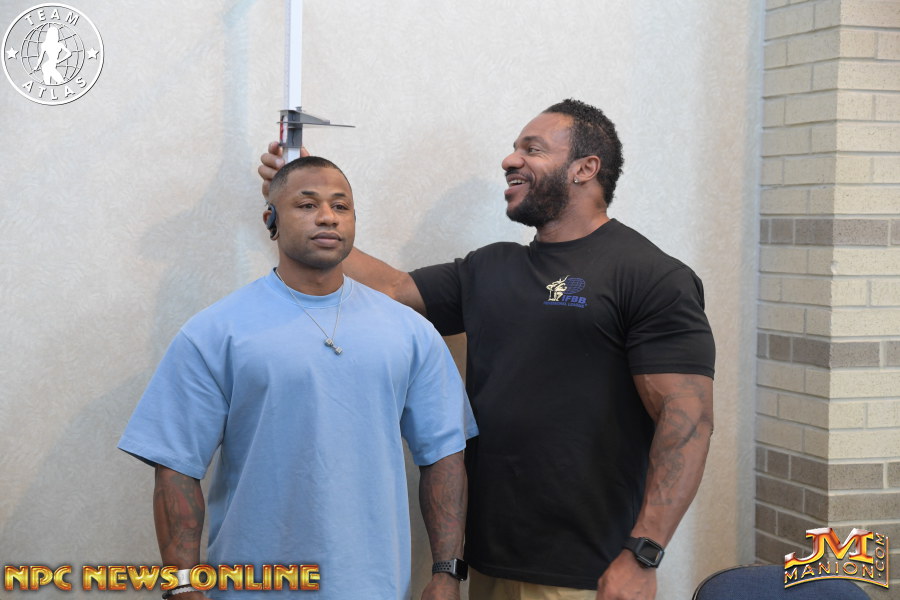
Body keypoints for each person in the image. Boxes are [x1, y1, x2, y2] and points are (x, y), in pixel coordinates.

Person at [258, 100, 715, 600]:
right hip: (489, 560)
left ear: (585, 169)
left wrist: (643, 553)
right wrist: (307, 201)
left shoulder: (651, 275)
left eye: (532, 149)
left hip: (590, 572)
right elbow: (391, 289)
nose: (510, 160)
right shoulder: (490, 268)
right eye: (515, 148)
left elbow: (687, 420)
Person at [119, 156, 478, 600]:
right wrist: (182, 583)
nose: (327, 216)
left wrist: (446, 572)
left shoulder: (411, 332)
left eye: (340, 206)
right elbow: (176, 466)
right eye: (307, 205)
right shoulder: (216, 331)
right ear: (270, 220)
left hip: (373, 586)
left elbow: (444, 455)